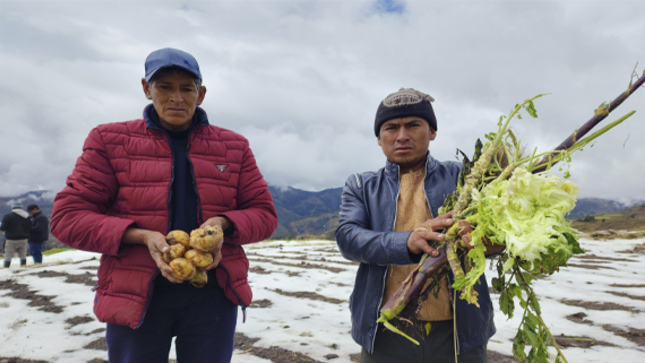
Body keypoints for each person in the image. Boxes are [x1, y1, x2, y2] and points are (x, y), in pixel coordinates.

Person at [51, 48, 278, 363]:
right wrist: (141, 236)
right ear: (146, 89)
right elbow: (67, 218)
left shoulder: (233, 147)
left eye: (187, 88)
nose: (177, 98)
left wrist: (223, 224)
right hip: (136, 294)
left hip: (212, 293)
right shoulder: (109, 140)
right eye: (165, 87)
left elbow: (264, 214)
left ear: (201, 94)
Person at [335, 88, 503, 362]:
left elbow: (499, 239)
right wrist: (407, 241)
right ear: (379, 137)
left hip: (459, 331)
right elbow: (348, 238)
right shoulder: (361, 185)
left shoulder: (466, 178)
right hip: (385, 328)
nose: (402, 135)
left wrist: (483, 239)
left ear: (432, 131)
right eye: (391, 128)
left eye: (413, 125)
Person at [1, 203, 32, 268]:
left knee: (8, 255)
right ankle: (23, 267)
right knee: (23, 254)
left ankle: (6, 268)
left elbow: (3, 228)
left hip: (11, 239)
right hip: (23, 239)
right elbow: (30, 227)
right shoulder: (27, 216)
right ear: (21, 208)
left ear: (13, 208)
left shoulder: (8, 216)